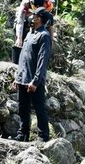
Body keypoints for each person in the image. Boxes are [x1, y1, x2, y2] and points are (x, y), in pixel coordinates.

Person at [14, 8, 53, 142]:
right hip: (23, 78)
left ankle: (43, 137)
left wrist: (36, 81)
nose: (31, 17)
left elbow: (42, 60)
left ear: (40, 18)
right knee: (22, 108)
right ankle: (22, 134)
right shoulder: (30, 34)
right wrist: (18, 77)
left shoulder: (44, 36)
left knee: (39, 109)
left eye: (34, 15)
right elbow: (23, 57)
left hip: (35, 81)